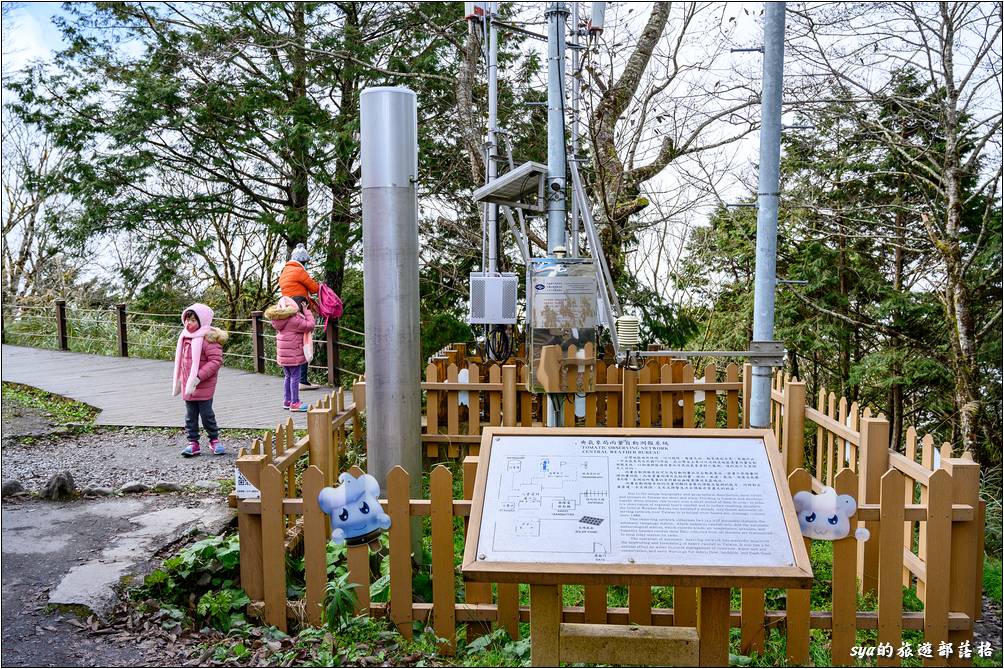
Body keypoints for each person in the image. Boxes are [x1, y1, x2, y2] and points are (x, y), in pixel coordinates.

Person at [172, 303, 228, 457]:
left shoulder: (209, 338)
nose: (189, 323)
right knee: (190, 415)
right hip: (188, 384)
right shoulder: (185, 338)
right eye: (187, 320)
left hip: (203, 384)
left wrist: (198, 377)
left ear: (202, 321)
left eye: (193, 320)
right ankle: (193, 442)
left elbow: (215, 362)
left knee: (206, 414)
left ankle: (214, 440)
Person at [278, 243, 320, 391]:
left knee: (293, 345)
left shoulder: (284, 272)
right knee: (305, 343)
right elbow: (315, 288)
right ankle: (302, 380)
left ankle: (298, 379)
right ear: (302, 261)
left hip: (287, 313)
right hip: (300, 311)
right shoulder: (299, 272)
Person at [265, 295, 316, 412]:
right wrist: (306, 311)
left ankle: (287, 401)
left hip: (284, 354)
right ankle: (295, 403)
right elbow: (310, 325)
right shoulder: (295, 319)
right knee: (295, 378)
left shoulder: (278, 319)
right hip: (293, 354)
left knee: (288, 377)